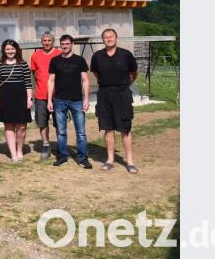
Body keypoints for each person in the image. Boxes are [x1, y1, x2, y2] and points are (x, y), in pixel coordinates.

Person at [90, 28, 139, 174]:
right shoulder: (97, 56)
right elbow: (96, 73)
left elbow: (134, 73)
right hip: (104, 94)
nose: (108, 39)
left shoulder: (126, 55)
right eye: (105, 37)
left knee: (125, 128)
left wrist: (124, 85)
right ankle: (110, 160)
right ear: (103, 39)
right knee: (108, 128)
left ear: (116, 38)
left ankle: (129, 161)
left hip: (122, 94)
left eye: (111, 36)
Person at [47, 34, 92, 168]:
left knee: (81, 132)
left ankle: (83, 158)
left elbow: (85, 80)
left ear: (72, 44)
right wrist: (50, 100)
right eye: (63, 44)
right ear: (60, 45)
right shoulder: (55, 60)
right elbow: (51, 80)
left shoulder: (80, 60)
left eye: (67, 44)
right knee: (61, 132)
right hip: (59, 100)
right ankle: (62, 157)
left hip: (77, 100)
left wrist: (86, 99)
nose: (65, 46)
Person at [0, 39, 33, 163]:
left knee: (22, 127)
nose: (10, 51)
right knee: (9, 126)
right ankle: (13, 153)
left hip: (21, 97)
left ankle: (20, 149)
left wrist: (29, 98)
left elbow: (28, 82)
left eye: (12, 49)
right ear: (4, 51)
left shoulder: (23, 63)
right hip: (5, 98)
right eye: (7, 49)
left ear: (16, 50)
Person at [29, 31, 62, 159]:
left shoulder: (59, 54)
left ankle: (61, 145)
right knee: (42, 122)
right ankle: (46, 145)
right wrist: (33, 89)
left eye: (49, 40)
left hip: (58, 95)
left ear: (53, 41)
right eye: (44, 40)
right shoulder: (35, 56)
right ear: (41, 42)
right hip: (41, 95)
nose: (46, 43)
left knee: (59, 122)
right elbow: (33, 74)